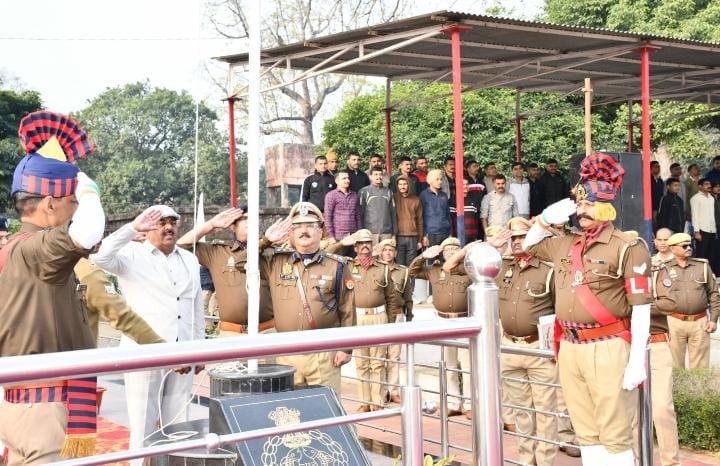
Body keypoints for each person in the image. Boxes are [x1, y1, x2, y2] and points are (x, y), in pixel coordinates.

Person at [522, 152, 652, 465]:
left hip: (608, 346)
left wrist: (637, 359)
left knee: (614, 433)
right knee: (586, 432)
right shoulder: (566, 243)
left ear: (606, 206)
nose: (581, 211)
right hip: (570, 346)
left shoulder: (627, 246)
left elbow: (641, 307)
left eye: (588, 204)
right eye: (579, 205)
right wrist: (548, 216)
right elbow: (529, 244)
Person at [0, 111, 105, 464]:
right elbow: (88, 231)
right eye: (72, 202)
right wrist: (87, 186)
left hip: (26, 403)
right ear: (49, 204)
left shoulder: (16, 249)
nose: (76, 209)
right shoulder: (36, 249)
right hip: (43, 408)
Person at [92, 205, 204, 463]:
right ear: (147, 227)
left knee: (178, 424)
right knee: (143, 424)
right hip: (144, 352)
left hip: (184, 352)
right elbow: (101, 257)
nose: (168, 227)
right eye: (161, 223)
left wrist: (199, 349)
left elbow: (196, 305)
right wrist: (132, 228)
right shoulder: (131, 254)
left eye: (172, 222)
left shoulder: (190, 259)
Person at [259, 202, 355, 394]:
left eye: (310, 225)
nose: (304, 230)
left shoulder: (337, 266)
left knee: (325, 408)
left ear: (321, 231)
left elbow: (347, 310)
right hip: (286, 353)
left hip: (324, 354)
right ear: (291, 233)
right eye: (297, 226)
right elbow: (241, 263)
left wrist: (346, 348)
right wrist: (265, 241)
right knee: (289, 408)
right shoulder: (275, 262)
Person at [497, 217, 566, 465]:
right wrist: (493, 245)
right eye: (513, 237)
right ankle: (527, 460)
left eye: (522, 236)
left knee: (545, 411)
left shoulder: (548, 270)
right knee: (522, 412)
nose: (517, 241)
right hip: (510, 347)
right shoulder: (501, 267)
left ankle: (545, 461)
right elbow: (464, 268)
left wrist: (557, 348)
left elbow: (562, 310)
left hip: (539, 348)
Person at [330, 229, 401, 411]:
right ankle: (365, 402)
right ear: (355, 247)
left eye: (367, 243)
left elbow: (391, 298)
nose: (364, 246)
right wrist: (342, 243)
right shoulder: (347, 265)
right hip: (357, 317)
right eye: (360, 243)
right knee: (361, 363)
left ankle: (377, 402)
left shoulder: (383, 268)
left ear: (372, 245)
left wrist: (390, 323)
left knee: (378, 362)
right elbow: (326, 253)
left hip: (379, 317)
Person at [177, 206, 275, 337]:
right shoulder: (218, 252)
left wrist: (264, 242)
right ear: (233, 226)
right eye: (245, 218)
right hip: (231, 333)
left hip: (266, 332)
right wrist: (211, 225)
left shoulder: (270, 251)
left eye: (254, 218)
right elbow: (181, 246)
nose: (251, 222)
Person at [408, 238, 472, 417]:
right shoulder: (434, 270)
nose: (451, 252)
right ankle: (453, 403)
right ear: (442, 253)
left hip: (464, 320)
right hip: (443, 321)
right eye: (447, 249)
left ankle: (469, 405)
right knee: (448, 365)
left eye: (455, 248)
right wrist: (423, 256)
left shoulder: (467, 268)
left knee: (468, 366)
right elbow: (412, 272)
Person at [643, 237, 683, 466]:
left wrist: (639, 306)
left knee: (661, 409)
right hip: (624, 346)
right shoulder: (614, 276)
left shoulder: (657, 272)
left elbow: (670, 303)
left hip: (656, 343)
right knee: (630, 413)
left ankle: (671, 462)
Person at [658, 233, 719, 368]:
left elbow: (713, 294)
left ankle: (698, 384)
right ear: (672, 248)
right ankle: (678, 384)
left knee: (700, 368)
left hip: (700, 322)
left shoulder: (702, 266)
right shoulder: (664, 268)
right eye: (684, 246)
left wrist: (714, 319)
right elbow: (657, 296)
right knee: (674, 365)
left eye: (690, 245)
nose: (689, 248)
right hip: (674, 322)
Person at [375, 238, 413, 404]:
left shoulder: (403, 271)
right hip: (380, 316)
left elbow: (408, 296)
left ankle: (393, 390)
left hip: (397, 315)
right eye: (385, 250)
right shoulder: (374, 269)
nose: (388, 253)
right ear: (380, 252)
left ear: (395, 253)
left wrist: (409, 317)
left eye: (391, 250)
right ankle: (381, 391)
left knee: (394, 356)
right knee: (379, 355)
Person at [324, 171, 361, 251]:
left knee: (353, 258)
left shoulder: (354, 195)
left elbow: (357, 216)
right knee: (339, 258)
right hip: (338, 237)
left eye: (348, 178)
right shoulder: (331, 195)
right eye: (344, 178)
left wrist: (359, 233)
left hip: (353, 237)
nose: (347, 180)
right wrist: (331, 236)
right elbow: (327, 217)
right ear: (337, 181)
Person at [358, 167, 396, 244]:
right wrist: (361, 232)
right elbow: (360, 214)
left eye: (380, 174)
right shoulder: (363, 192)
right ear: (370, 177)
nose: (378, 177)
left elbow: (393, 213)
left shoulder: (389, 192)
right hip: (369, 232)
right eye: (375, 174)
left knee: (386, 252)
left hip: (386, 232)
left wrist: (394, 233)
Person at [393, 174, 423, 266]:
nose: (402, 186)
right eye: (400, 184)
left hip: (413, 237)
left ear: (409, 184)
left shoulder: (416, 200)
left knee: (411, 265)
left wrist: (420, 240)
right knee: (399, 265)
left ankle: (409, 277)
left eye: (405, 184)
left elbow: (420, 220)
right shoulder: (393, 198)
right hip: (398, 237)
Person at [420, 169, 452, 247]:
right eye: (437, 179)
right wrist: (424, 235)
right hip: (431, 233)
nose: (440, 182)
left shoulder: (444, 195)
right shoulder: (423, 195)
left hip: (445, 232)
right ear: (430, 181)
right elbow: (421, 216)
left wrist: (450, 233)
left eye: (441, 179)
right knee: (432, 255)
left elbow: (448, 214)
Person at [689, 178, 716, 262]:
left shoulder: (711, 198)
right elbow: (695, 216)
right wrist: (697, 232)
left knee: (711, 254)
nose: (709, 186)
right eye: (706, 184)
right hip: (702, 230)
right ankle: (700, 270)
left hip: (712, 230)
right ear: (700, 186)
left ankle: (709, 270)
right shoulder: (695, 198)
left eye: (709, 184)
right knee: (702, 254)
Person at [449, 178, 483, 242]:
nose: (465, 186)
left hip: (472, 237)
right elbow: (451, 220)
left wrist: (476, 236)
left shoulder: (474, 199)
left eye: (467, 184)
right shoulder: (453, 200)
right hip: (458, 236)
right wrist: (451, 235)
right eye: (462, 184)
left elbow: (476, 219)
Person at [651, 161, 664, 231]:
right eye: (656, 167)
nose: (658, 168)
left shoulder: (660, 180)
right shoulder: (648, 180)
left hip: (660, 207)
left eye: (659, 167)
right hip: (652, 207)